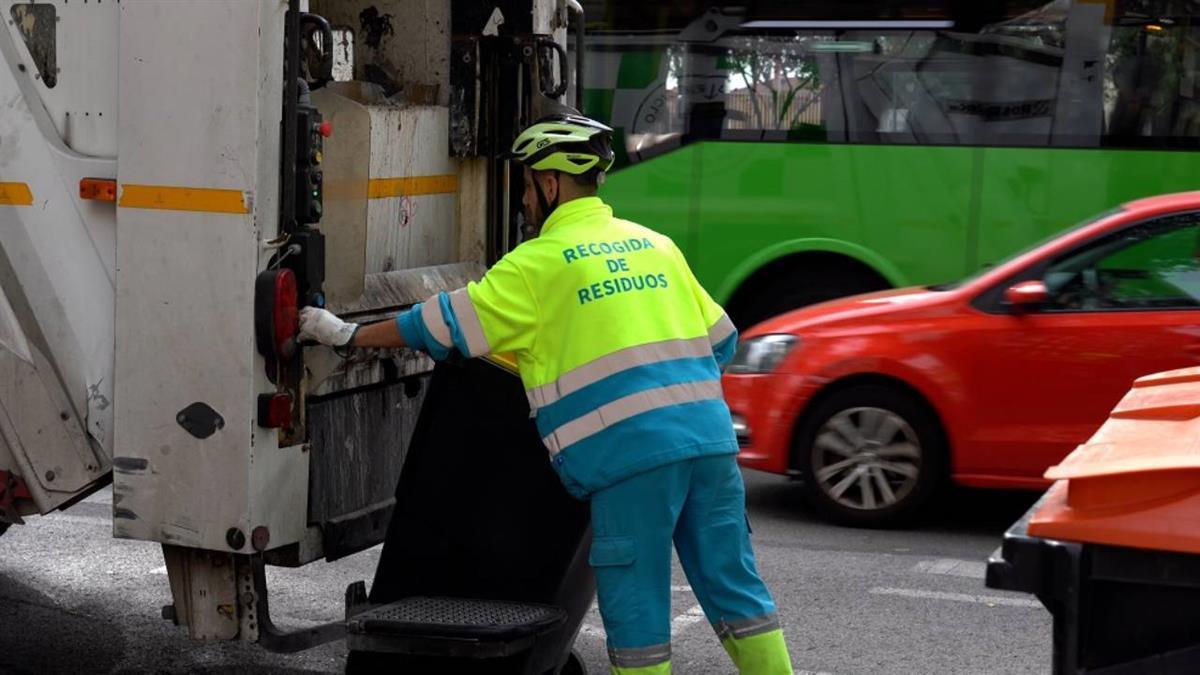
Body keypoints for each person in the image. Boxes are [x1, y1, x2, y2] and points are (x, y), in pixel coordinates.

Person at [299, 112, 793, 674]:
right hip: (709, 446)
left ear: (550, 184)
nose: (525, 201)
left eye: (528, 185)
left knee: (639, 612)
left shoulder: (537, 264)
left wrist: (346, 334)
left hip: (633, 461)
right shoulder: (655, 246)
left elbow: (437, 326)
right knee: (737, 592)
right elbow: (721, 341)